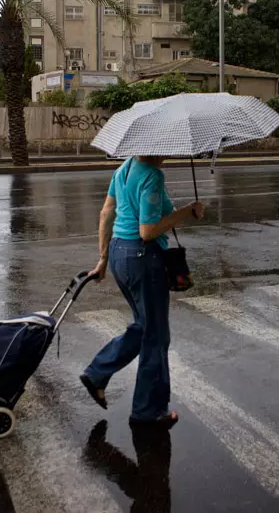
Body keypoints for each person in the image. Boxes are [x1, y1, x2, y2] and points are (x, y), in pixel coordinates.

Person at [80, 156, 204, 428]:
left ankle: (98, 373)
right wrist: (188, 211)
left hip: (118, 253)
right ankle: (148, 412)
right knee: (156, 335)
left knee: (144, 326)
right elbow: (147, 232)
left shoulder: (123, 169)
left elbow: (106, 213)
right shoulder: (152, 175)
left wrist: (102, 259)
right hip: (142, 258)